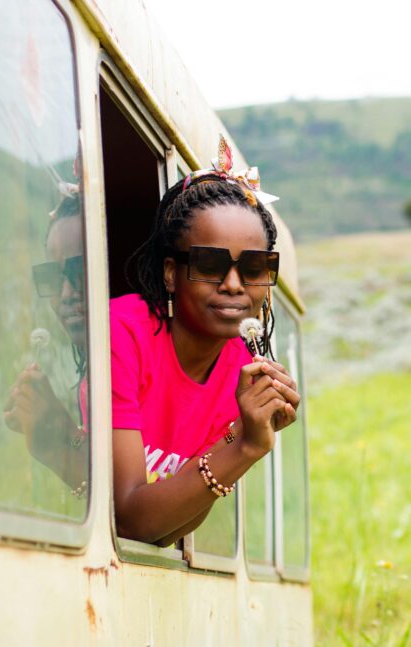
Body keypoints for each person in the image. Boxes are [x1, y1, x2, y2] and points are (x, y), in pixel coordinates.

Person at [111, 137, 300, 546]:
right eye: (210, 264)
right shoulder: (123, 333)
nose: (234, 285)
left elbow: (168, 532)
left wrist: (245, 430)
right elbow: (130, 520)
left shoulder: (239, 372)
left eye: (254, 268)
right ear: (169, 273)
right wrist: (245, 447)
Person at [4, 188, 90, 497]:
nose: (66, 293)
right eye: (53, 277)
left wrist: (58, 441)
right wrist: (54, 432)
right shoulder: (91, 381)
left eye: (80, 271)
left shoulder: (145, 371)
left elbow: (136, 512)